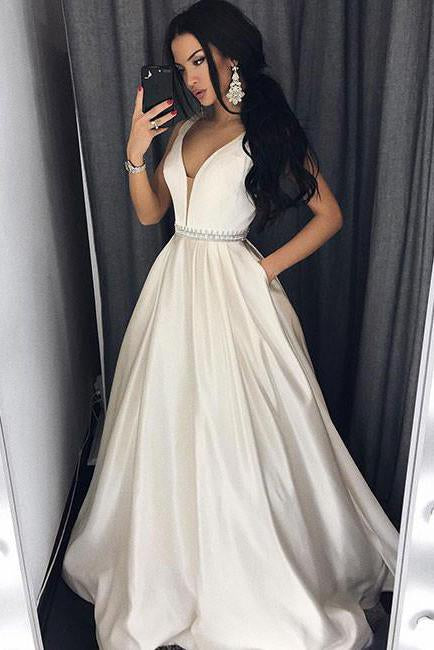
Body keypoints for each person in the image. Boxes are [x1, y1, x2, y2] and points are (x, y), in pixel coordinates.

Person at [62, 1, 399, 648]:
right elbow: (150, 214)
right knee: (169, 422)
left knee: (235, 429)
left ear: (230, 55)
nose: (192, 77)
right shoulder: (183, 130)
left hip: (235, 289)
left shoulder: (267, 130)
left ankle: (246, 568)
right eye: (182, 64)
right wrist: (135, 152)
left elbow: (329, 215)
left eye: (199, 60)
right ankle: (170, 568)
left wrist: (264, 268)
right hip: (174, 285)